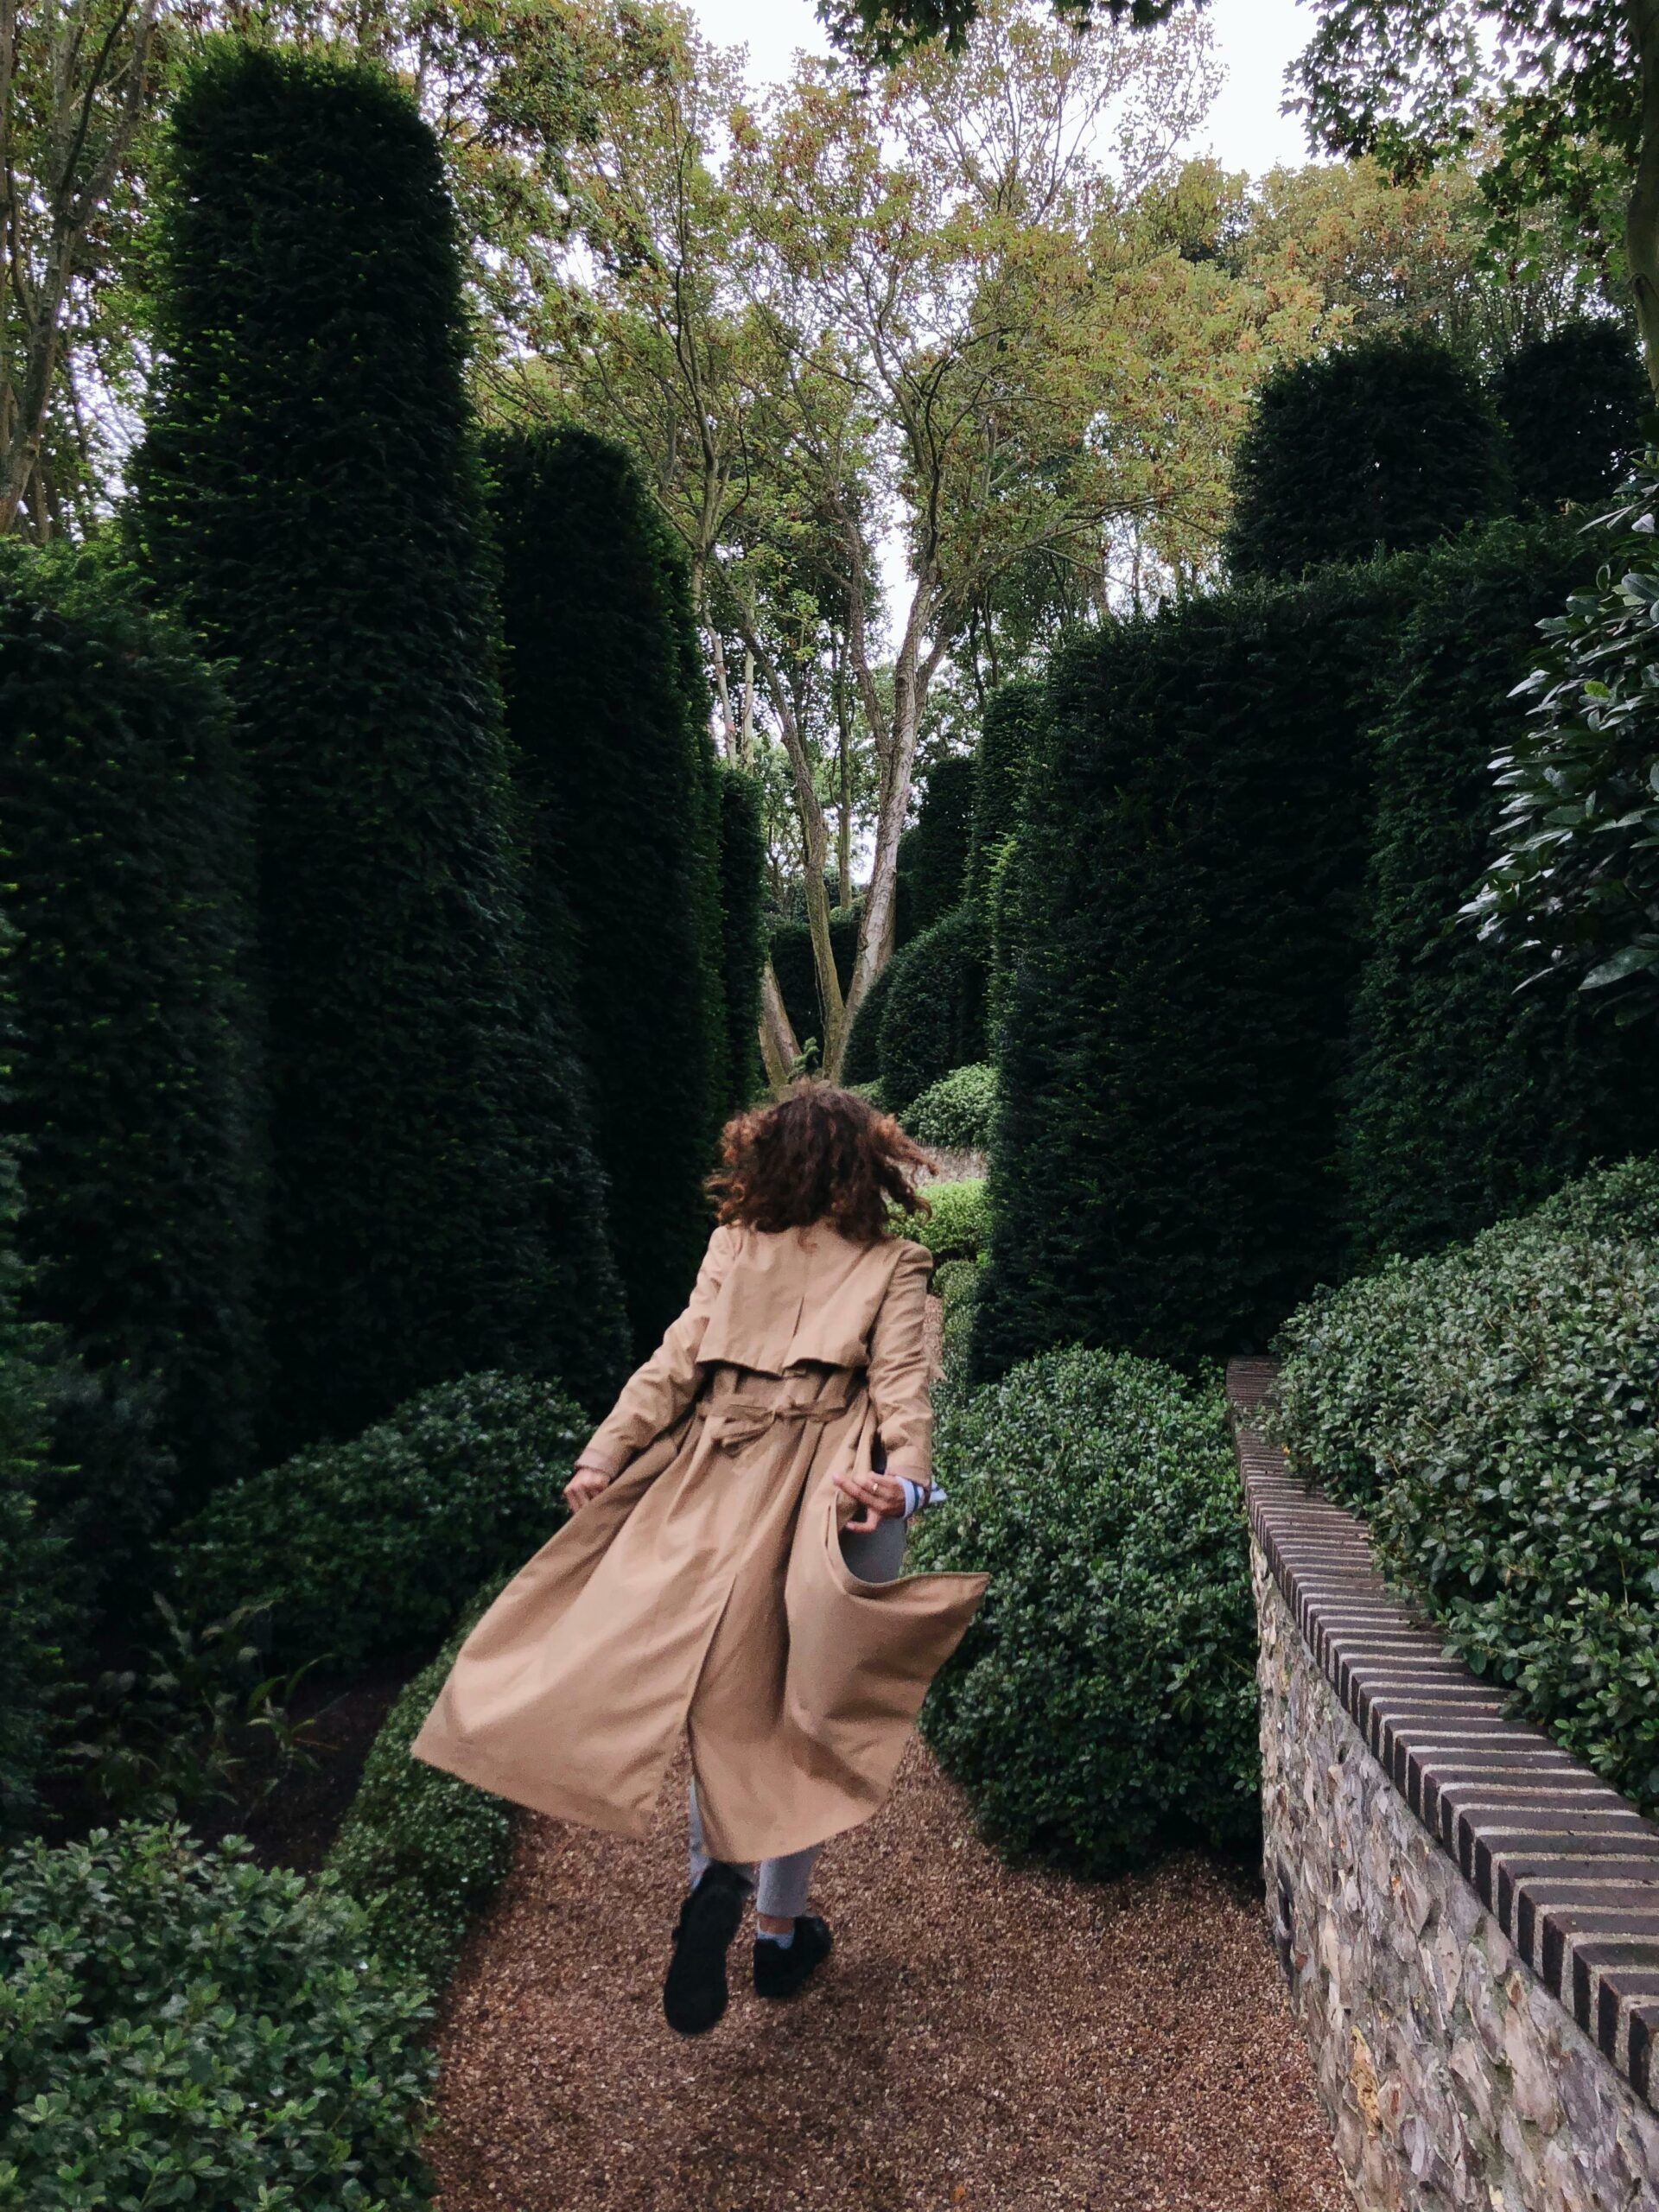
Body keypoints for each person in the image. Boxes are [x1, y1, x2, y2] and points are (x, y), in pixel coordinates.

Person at [411, 1080, 988, 2037]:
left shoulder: (732, 1247)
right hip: (828, 1493)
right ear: (866, 1167)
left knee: (710, 1691)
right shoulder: (896, 1262)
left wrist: (603, 1453)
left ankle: (712, 1879)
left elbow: (674, 1362)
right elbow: (901, 1398)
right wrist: (911, 1485)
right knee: (807, 1711)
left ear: (767, 1161)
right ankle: (775, 1929)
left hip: (710, 1476)